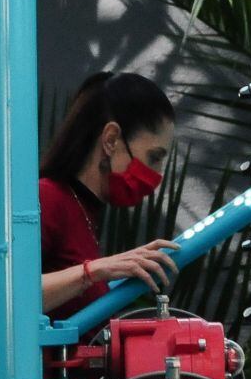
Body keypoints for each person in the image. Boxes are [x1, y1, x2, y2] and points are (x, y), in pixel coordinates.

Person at [39, 72, 182, 319]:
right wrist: (94, 271)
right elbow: (6, 298)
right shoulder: (48, 197)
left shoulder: (83, 209)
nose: (157, 174)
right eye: (154, 157)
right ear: (111, 140)